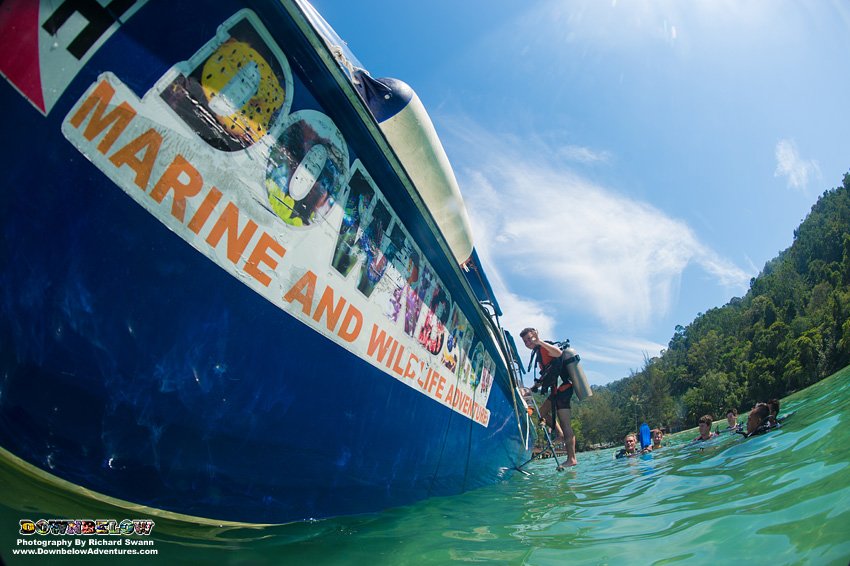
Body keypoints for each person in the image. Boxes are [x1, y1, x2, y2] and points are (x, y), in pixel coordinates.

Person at [521, 327, 577, 467]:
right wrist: (531, 390)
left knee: (565, 423)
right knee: (542, 412)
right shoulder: (539, 352)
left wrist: (539, 341)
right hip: (556, 390)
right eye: (525, 341)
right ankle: (560, 435)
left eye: (529, 338)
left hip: (564, 388)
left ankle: (572, 459)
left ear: (535, 336)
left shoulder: (543, 347)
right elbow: (546, 375)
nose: (528, 343)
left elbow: (558, 353)